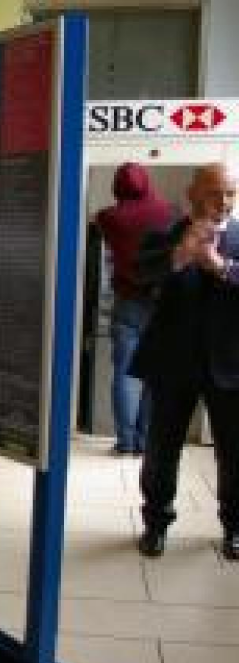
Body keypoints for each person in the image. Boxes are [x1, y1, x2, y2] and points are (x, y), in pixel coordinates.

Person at [130, 163, 239, 560]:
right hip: (172, 364)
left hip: (230, 367)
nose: (223, 202)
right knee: (161, 449)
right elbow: (138, 278)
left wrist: (223, 267)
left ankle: (234, 529)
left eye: (230, 193)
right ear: (192, 193)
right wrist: (180, 255)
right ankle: (155, 524)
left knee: (234, 452)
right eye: (214, 193)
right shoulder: (164, 235)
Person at [95, 162, 175, 455]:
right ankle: (144, 440)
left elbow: (99, 226)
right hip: (161, 305)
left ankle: (125, 441)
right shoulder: (170, 211)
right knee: (154, 374)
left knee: (125, 375)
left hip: (127, 302)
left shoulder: (108, 217)